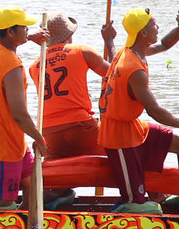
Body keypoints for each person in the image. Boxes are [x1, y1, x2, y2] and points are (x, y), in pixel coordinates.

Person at [97, 8, 179, 215]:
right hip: (119, 137)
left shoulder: (129, 50)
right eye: (154, 24)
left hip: (134, 126)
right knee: (135, 202)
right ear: (142, 33)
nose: (157, 27)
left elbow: (165, 44)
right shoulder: (135, 70)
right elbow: (155, 111)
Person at [0, 7, 49, 209]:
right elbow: (20, 115)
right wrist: (39, 138)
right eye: (24, 28)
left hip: (7, 139)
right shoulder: (12, 67)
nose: (28, 30)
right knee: (2, 200)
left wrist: (29, 38)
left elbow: (5, 45)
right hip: (0, 144)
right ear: (11, 32)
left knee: (32, 183)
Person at [27, 12, 116, 163]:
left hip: (48, 134)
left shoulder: (34, 65)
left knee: (57, 184)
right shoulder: (82, 51)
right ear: (69, 34)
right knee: (122, 146)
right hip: (81, 128)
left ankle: (58, 186)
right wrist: (109, 41)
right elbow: (117, 74)